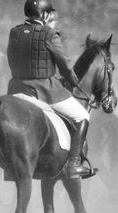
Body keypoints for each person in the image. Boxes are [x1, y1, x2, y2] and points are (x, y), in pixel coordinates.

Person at [7, 0, 92, 179]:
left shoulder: (14, 32)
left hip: (16, 89)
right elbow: (63, 64)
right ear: (45, 15)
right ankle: (74, 164)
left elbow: (11, 59)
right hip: (44, 90)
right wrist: (73, 80)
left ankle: (9, 168)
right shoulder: (49, 34)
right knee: (82, 115)